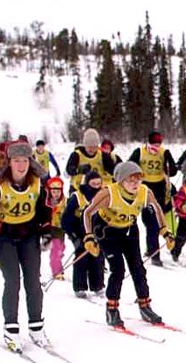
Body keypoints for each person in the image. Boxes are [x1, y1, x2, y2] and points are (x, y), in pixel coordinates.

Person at [0, 140, 53, 349]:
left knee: (33, 281)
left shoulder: (37, 182)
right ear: (9, 162)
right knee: (13, 281)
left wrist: (45, 231)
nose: (21, 165)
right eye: (16, 161)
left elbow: (45, 208)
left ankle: (36, 327)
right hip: (3, 237)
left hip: (28, 236)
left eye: (24, 160)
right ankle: (11, 328)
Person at [81, 162, 173, 327]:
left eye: (138, 179)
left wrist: (165, 231)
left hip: (129, 231)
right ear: (121, 181)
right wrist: (88, 236)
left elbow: (157, 208)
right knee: (118, 269)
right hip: (107, 231)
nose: (135, 183)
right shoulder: (108, 194)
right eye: (130, 180)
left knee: (138, 268)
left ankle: (145, 306)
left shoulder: (145, 192)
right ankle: (112, 309)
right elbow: (87, 213)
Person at [129, 130, 179, 266]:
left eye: (158, 144)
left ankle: (171, 251)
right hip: (144, 188)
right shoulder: (139, 152)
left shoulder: (164, 152)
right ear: (148, 143)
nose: (155, 148)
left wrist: (169, 162)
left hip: (161, 189)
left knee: (160, 222)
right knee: (151, 224)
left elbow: (173, 172)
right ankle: (154, 254)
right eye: (153, 145)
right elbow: (129, 167)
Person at [61, 170, 106, 298]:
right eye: (93, 184)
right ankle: (80, 286)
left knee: (98, 257)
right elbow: (66, 219)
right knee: (82, 257)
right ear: (87, 183)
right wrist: (73, 236)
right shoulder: (77, 197)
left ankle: (97, 285)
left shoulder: (103, 196)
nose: (96, 186)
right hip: (79, 232)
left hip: (96, 232)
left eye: (99, 184)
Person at [66, 128, 115, 193]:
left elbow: (112, 170)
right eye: (89, 147)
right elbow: (68, 171)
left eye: (94, 147)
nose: (91, 149)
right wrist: (79, 169)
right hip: (78, 190)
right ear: (85, 145)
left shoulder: (103, 155)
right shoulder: (76, 155)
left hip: (98, 189)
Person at [45, 177, 67, 280]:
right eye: (53, 191)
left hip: (60, 229)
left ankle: (58, 264)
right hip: (50, 228)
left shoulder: (65, 201)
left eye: (58, 191)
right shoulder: (46, 202)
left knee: (61, 248)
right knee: (56, 249)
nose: (56, 194)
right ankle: (56, 270)